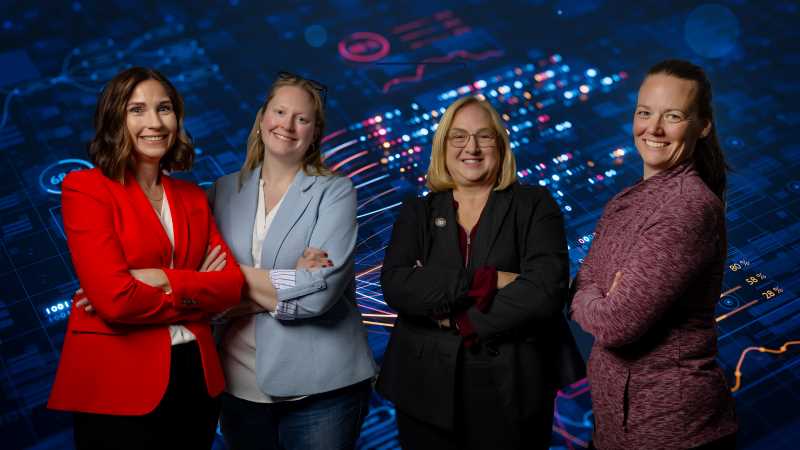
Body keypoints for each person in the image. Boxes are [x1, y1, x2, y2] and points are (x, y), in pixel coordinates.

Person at [48, 67, 244, 449]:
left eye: (164, 108)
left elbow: (231, 287)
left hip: (197, 379)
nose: (154, 122)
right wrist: (195, 291)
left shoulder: (192, 197)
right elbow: (115, 301)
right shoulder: (86, 189)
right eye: (137, 109)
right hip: (118, 381)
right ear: (115, 120)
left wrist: (159, 278)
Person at [377, 96, 581, 449]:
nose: (471, 147)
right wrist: (488, 280)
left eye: (483, 136)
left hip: (515, 384)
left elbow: (545, 291)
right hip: (425, 386)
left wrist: (459, 319)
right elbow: (397, 285)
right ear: (443, 147)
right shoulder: (418, 212)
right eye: (458, 136)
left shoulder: (534, 204)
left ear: (500, 146)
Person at [570, 59, 738, 450]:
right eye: (645, 113)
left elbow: (616, 324)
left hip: (674, 433)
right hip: (616, 432)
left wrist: (583, 295)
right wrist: (594, 291)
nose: (654, 128)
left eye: (673, 116)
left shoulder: (686, 208)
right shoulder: (625, 200)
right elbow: (587, 279)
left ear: (703, 125)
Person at [209, 71, 376, 450]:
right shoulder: (222, 191)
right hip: (237, 389)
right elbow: (202, 289)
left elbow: (320, 296)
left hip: (322, 389)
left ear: (315, 133)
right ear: (262, 118)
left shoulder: (335, 192)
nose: (287, 125)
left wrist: (229, 280)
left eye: (302, 119)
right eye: (280, 112)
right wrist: (291, 278)